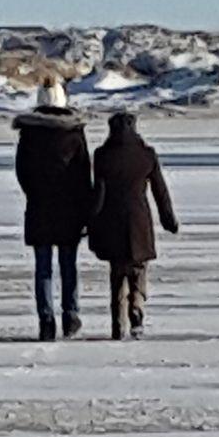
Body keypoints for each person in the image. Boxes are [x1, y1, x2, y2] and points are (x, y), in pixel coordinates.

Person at [13, 78, 94, 341]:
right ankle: (70, 315)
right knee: (68, 265)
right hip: (70, 210)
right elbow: (83, 173)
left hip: (40, 209)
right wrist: (85, 207)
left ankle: (46, 321)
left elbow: (22, 171)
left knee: (43, 269)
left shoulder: (29, 133)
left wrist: (35, 194)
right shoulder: (74, 132)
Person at [88, 111, 179, 340]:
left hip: (112, 221)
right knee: (138, 269)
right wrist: (168, 219)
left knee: (117, 274)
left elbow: (99, 193)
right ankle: (137, 307)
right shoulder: (146, 155)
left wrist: (90, 220)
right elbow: (160, 190)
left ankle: (118, 324)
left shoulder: (103, 155)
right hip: (139, 220)